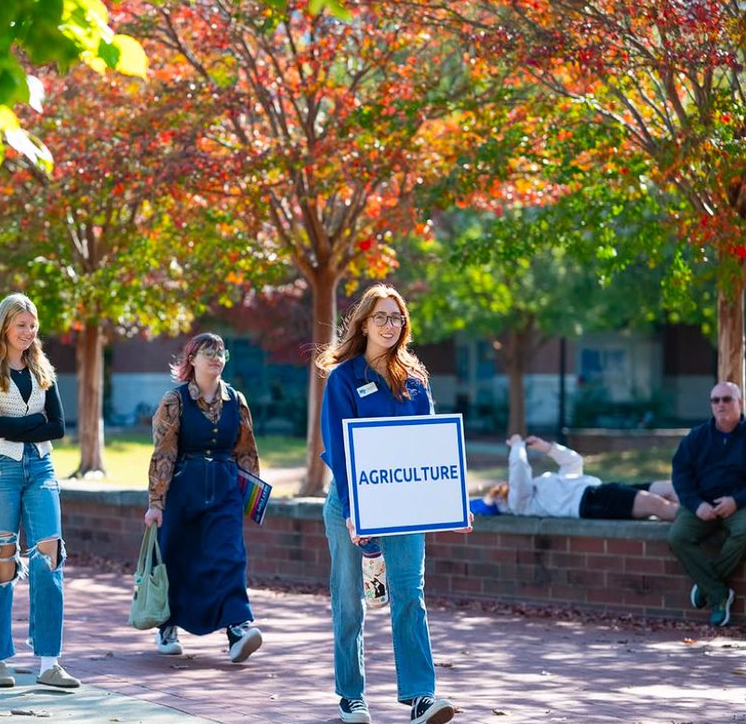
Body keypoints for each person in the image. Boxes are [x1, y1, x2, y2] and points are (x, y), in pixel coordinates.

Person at [318, 284, 459, 724]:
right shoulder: (345, 378)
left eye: (396, 318)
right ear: (363, 322)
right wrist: (356, 513)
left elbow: (431, 448)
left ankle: (420, 695)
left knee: (409, 597)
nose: (389, 325)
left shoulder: (415, 382)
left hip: (404, 508)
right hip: (350, 505)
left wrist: (449, 502)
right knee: (349, 601)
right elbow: (339, 451)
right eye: (380, 316)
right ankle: (352, 695)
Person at [0, 293, 76, 689]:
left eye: (33, 326)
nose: (29, 333)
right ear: (4, 327)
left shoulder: (43, 367)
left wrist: (22, 425)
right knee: (2, 561)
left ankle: (49, 661)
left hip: (41, 467)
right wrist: (35, 422)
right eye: (22, 326)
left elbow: (59, 426)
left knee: (50, 554)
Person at [143, 332, 264, 663]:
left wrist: (252, 497)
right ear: (191, 359)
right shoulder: (175, 401)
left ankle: (238, 628)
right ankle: (168, 625)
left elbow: (247, 453)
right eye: (208, 351)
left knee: (229, 556)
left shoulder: (236, 401)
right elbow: (163, 453)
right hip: (184, 488)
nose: (216, 357)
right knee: (177, 555)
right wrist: (156, 502)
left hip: (225, 489)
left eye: (221, 351)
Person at [669, 381, 746, 627]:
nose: (721, 404)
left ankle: (709, 589)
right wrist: (695, 504)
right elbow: (680, 475)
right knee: (678, 536)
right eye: (716, 400)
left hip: (739, 505)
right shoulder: (697, 437)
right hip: (701, 505)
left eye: (727, 399)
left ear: (740, 403)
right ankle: (719, 592)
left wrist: (736, 500)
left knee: (745, 530)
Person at [484, 435, 679, 521]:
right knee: (657, 505)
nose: (506, 485)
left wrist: (548, 448)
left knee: (669, 488)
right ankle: (702, 521)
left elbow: (573, 463)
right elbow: (518, 472)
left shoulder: (541, 487)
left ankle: (703, 508)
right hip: (590, 502)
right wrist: (517, 445)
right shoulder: (519, 504)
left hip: (600, 490)